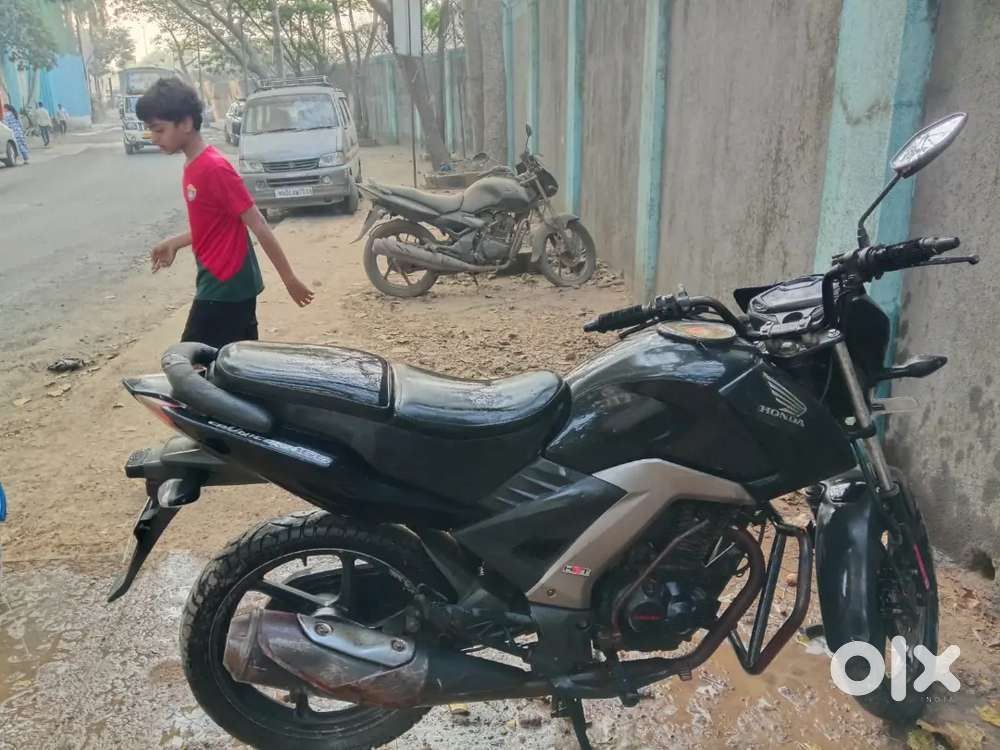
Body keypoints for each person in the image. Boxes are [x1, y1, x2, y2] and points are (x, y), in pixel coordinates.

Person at [136, 78, 314, 349]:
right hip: (220, 282)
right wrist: (176, 242)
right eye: (151, 130)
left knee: (190, 361)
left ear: (186, 123)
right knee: (236, 360)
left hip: (225, 285)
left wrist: (289, 279)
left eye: (159, 129)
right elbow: (213, 224)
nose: (154, 137)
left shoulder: (214, 168)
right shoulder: (194, 165)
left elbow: (258, 223)